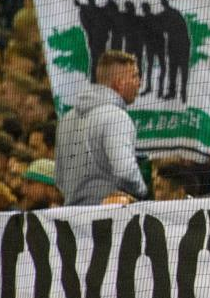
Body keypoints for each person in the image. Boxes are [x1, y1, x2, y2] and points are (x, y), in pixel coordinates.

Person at [55, 50, 148, 206]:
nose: (139, 82)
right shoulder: (116, 117)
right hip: (108, 214)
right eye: (134, 76)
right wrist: (143, 191)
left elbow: (59, 178)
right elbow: (125, 171)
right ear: (119, 83)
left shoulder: (66, 119)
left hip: (72, 215)